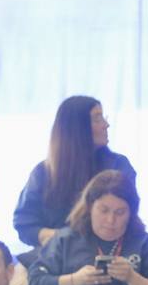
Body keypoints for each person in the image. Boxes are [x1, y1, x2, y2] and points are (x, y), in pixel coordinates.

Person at [13, 95, 137, 251]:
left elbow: (129, 214)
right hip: (56, 255)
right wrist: (56, 237)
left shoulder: (118, 166)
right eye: (97, 119)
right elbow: (24, 223)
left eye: (103, 118)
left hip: (110, 252)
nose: (106, 125)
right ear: (77, 128)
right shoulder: (43, 173)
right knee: (20, 274)